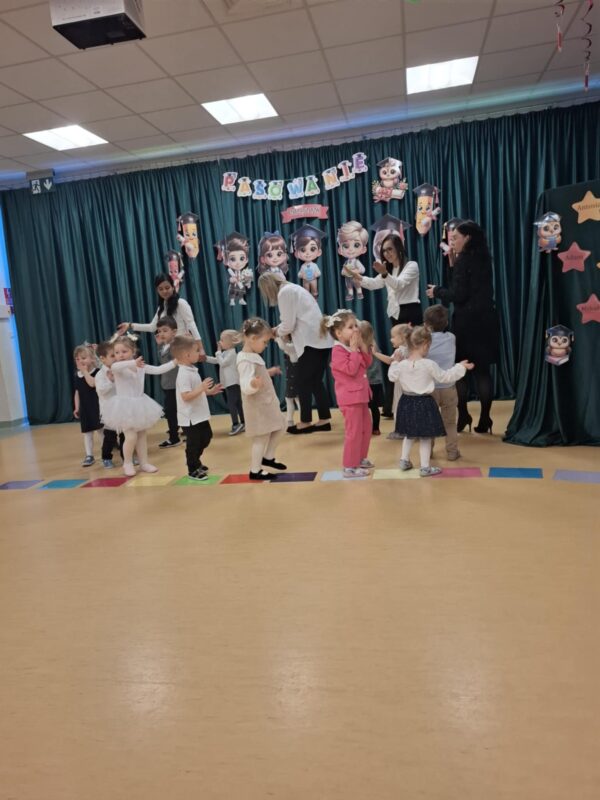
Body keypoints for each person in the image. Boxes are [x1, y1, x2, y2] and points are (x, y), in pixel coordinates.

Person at [426, 220, 500, 433]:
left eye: (456, 237)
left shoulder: (464, 260)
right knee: (483, 372)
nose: (452, 241)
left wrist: (436, 291)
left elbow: (458, 294)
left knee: (461, 371)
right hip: (486, 321)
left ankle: (464, 416)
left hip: (467, 324)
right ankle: (485, 419)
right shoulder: (484, 259)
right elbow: (470, 287)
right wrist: (452, 264)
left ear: (467, 238)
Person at [389, 326, 473, 477]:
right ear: (425, 345)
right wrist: (460, 367)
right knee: (425, 437)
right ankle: (425, 467)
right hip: (424, 403)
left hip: (406, 402)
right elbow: (445, 377)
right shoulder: (429, 364)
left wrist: (395, 362)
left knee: (409, 434)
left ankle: (404, 460)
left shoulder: (401, 365)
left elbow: (392, 377)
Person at [258, 272, 333, 434]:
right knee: (315, 382)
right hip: (322, 341)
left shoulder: (284, 293)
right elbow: (292, 321)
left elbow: (288, 325)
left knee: (302, 382)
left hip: (310, 342)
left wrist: (275, 332)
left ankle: (305, 422)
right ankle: (324, 419)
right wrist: (278, 329)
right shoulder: (295, 289)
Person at [356, 233, 421, 417]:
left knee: (411, 358)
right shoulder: (390, 269)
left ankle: (413, 400)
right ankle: (392, 406)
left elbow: (398, 285)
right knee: (397, 358)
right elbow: (375, 283)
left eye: (390, 249)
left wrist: (385, 273)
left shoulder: (411, 265)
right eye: (384, 251)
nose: (387, 253)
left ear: (399, 248)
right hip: (396, 315)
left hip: (409, 313)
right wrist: (357, 277)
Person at [101, 336, 177, 477]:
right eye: (117, 353)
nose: (120, 355)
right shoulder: (117, 367)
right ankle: (127, 463)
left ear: (133, 351)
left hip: (140, 405)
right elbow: (115, 366)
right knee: (130, 437)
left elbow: (159, 369)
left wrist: (175, 362)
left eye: (124, 351)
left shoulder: (140, 366)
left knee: (141, 436)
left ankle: (144, 463)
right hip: (124, 407)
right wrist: (132, 362)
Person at [325, 310, 373, 479]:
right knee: (354, 432)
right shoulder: (338, 350)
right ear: (339, 333)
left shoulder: (353, 348)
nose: (356, 329)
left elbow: (367, 363)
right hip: (350, 399)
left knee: (366, 428)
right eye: (350, 327)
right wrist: (354, 350)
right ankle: (349, 466)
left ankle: (359, 458)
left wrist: (363, 347)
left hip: (361, 396)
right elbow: (351, 370)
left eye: (356, 326)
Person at [237, 318, 286, 481]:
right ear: (252, 339)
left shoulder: (252, 356)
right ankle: (255, 470)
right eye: (264, 342)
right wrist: (253, 384)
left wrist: (269, 372)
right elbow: (245, 385)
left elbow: (259, 373)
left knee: (282, 424)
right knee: (261, 438)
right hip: (257, 406)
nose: (265, 346)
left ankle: (268, 457)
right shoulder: (245, 359)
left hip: (266, 403)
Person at [170, 336, 223, 482]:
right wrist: (201, 388)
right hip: (190, 417)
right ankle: (192, 468)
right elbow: (186, 396)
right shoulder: (183, 374)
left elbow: (196, 392)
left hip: (199, 414)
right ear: (187, 355)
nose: (199, 353)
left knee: (206, 437)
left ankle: (195, 461)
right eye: (196, 350)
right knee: (194, 443)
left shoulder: (192, 370)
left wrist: (209, 391)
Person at [117, 273, 204, 355]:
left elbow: (191, 325)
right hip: (169, 349)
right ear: (157, 290)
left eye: (167, 288)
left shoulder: (180, 303)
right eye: (160, 289)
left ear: (173, 287)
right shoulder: (162, 307)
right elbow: (152, 327)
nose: (164, 291)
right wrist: (130, 325)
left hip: (183, 347)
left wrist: (201, 348)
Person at [423, 305, 460, 461]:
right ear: (446, 323)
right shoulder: (451, 338)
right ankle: (452, 452)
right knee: (450, 423)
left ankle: (427, 452)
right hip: (448, 387)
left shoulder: (424, 341)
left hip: (429, 388)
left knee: (429, 422)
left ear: (426, 324)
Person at [373, 323, 411, 439]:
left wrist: (375, 353)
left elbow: (391, 361)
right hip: (408, 384)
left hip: (401, 385)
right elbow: (390, 360)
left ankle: (401, 431)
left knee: (399, 407)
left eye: (393, 337)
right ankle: (408, 429)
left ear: (403, 337)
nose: (391, 339)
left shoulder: (400, 351)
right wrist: (376, 353)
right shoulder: (408, 349)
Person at [205, 329, 245, 436]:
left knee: (232, 404)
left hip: (233, 383)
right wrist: (205, 358)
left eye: (222, 340)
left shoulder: (232, 353)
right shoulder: (225, 353)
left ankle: (236, 424)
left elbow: (222, 363)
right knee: (237, 403)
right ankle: (243, 422)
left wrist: (218, 351)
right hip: (230, 383)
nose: (219, 342)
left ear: (230, 342)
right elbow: (217, 360)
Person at [95, 341, 125, 468]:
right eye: (112, 355)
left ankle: (126, 457)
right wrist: (111, 381)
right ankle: (106, 457)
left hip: (121, 408)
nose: (116, 357)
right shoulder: (100, 374)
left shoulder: (119, 370)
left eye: (116, 354)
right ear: (102, 358)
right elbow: (101, 391)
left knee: (125, 435)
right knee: (110, 436)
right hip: (109, 410)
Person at [73, 344, 102, 467]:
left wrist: (84, 372)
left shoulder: (97, 372)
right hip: (85, 409)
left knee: (101, 431)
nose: (80, 361)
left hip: (97, 407)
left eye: (84, 358)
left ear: (92, 359)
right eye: (77, 359)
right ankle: (89, 455)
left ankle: (105, 453)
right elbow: (77, 392)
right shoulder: (77, 375)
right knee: (87, 433)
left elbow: (92, 384)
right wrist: (77, 407)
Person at [154, 316, 181, 449]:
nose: (161, 334)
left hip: (175, 385)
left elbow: (174, 361)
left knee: (172, 411)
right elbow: (162, 362)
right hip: (167, 384)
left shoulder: (175, 346)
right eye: (159, 331)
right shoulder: (165, 346)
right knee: (172, 411)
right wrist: (160, 345)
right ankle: (176, 432)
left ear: (174, 332)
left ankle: (174, 438)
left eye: (165, 330)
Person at [359, 320, 384, 436]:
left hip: (368, 381)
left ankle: (368, 428)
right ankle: (376, 428)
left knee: (365, 407)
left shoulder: (363, 347)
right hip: (375, 381)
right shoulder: (374, 344)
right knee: (374, 407)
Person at [275, 334, 300, 430]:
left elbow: (282, 346)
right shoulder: (292, 345)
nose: (282, 337)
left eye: (283, 335)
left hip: (294, 378)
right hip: (292, 377)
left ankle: (290, 421)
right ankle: (295, 420)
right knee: (295, 398)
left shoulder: (292, 346)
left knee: (291, 399)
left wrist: (277, 337)